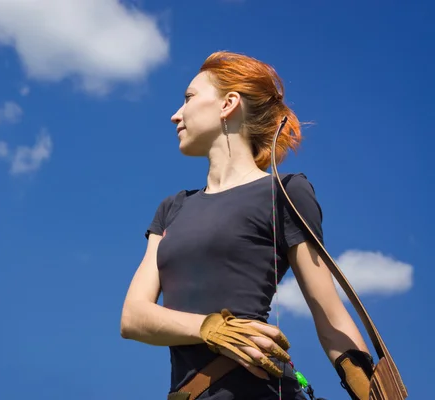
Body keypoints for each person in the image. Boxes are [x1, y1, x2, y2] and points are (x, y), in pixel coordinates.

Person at [120, 51, 375, 400]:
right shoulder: (172, 208)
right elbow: (133, 317)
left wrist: (372, 390)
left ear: (228, 104)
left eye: (189, 98)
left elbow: (331, 318)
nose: (174, 115)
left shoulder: (285, 192)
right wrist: (211, 328)